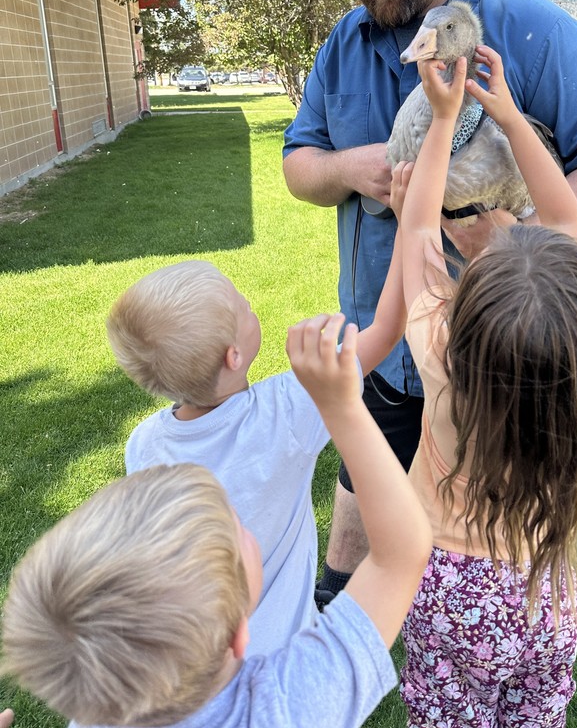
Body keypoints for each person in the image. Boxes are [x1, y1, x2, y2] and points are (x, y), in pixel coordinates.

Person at [276, 0, 577, 602]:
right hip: (378, 340)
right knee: (361, 495)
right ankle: (337, 611)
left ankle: (487, 620)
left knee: (489, 521)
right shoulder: (339, 49)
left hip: (487, 350)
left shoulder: (533, 31)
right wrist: (350, 169)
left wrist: (523, 243)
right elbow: (297, 167)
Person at [0, 316, 433, 728]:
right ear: (239, 637)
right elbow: (401, 553)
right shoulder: (284, 713)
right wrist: (341, 407)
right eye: (238, 529)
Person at [392, 45, 577, 728]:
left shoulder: (441, 355)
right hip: (549, 585)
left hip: (450, 591)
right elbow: (562, 218)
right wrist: (511, 117)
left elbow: (419, 233)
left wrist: (441, 123)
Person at [106, 256, 404, 650]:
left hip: (206, 657)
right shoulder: (286, 412)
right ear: (233, 356)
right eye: (241, 304)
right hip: (286, 656)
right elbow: (384, 331)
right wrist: (410, 223)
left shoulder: (144, 444)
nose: (249, 303)